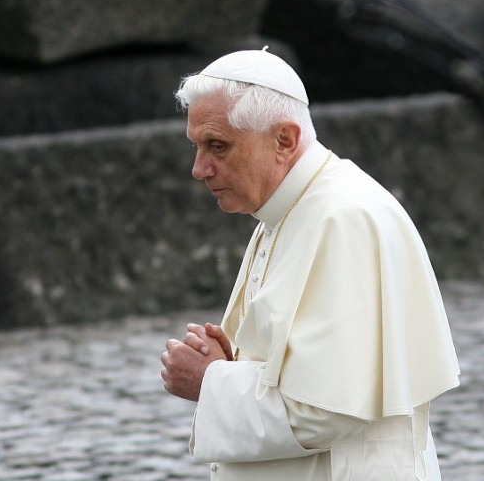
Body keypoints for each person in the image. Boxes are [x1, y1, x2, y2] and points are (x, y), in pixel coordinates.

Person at [160, 48, 460, 480]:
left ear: (284, 139)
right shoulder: (288, 207)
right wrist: (231, 364)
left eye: (218, 146)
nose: (199, 168)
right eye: (197, 146)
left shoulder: (342, 217)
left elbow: (324, 409)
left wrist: (210, 382)